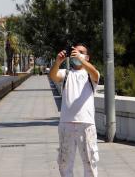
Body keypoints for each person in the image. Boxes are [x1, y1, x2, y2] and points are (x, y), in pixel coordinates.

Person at [49, 43, 100, 177]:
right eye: (75, 52)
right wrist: (58, 61)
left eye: (81, 52)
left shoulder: (91, 76)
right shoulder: (66, 73)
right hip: (66, 124)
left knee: (90, 162)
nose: (77, 54)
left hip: (86, 124)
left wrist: (81, 59)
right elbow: (53, 76)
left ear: (87, 57)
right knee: (64, 163)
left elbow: (95, 73)